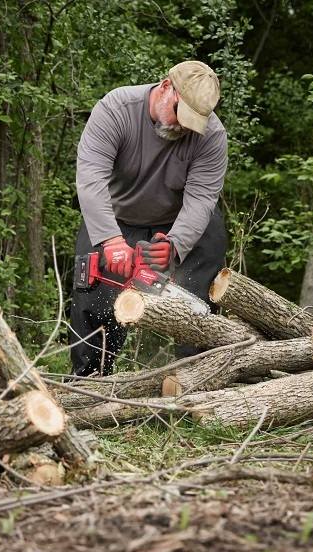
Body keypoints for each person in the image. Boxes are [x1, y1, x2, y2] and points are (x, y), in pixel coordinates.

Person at [70, 60, 229, 377]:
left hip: (177, 222)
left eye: (193, 122)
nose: (183, 126)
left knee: (208, 251)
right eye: (180, 114)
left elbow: (201, 198)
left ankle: (196, 375)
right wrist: (111, 240)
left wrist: (176, 245)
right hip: (117, 217)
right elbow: (90, 179)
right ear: (166, 86)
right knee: (93, 286)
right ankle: (89, 381)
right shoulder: (116, 109)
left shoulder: (212, 135)